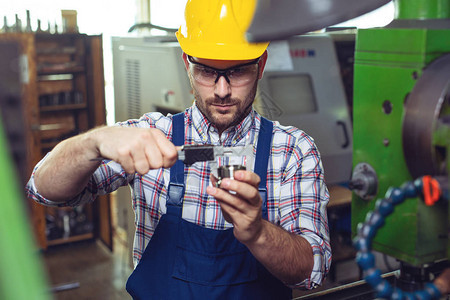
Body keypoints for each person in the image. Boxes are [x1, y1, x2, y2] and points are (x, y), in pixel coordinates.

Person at [26, 0, 331, 298]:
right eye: (207, 71)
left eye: (238, 72)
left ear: (260, 65)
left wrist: (258, 233)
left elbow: (313, 272)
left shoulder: (293, 150)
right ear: (187, 63)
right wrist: (92, 143)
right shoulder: (150, 136)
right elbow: (43, 189)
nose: (222, 90)